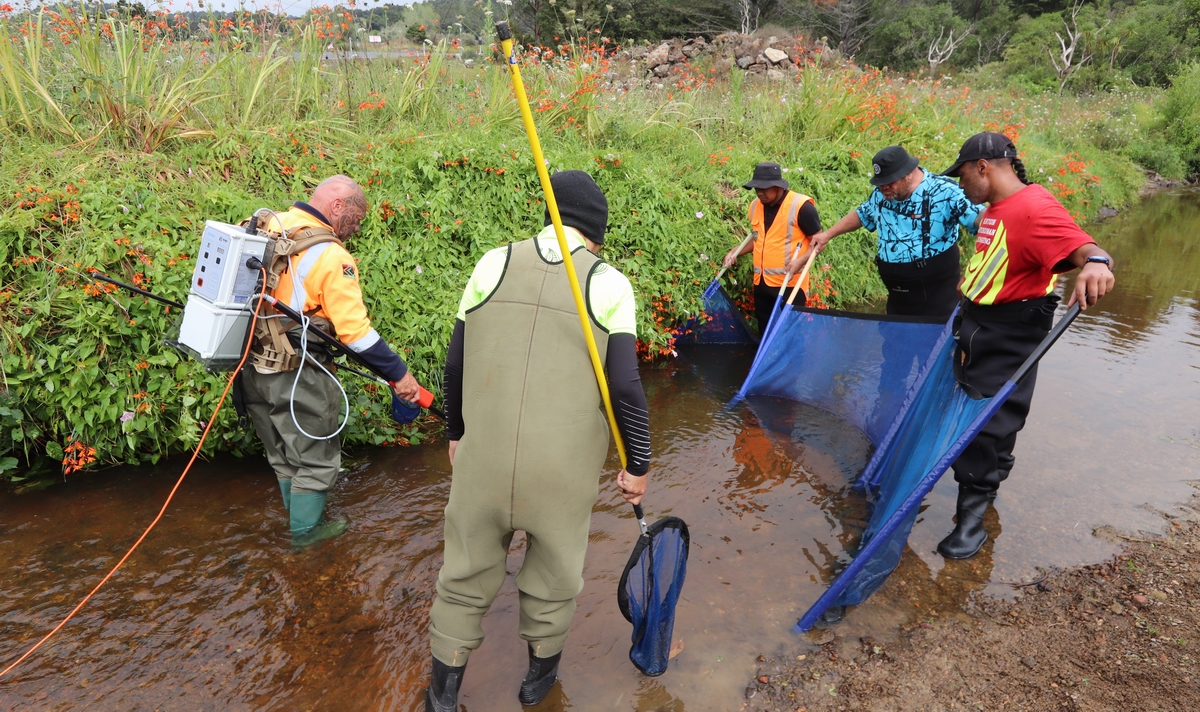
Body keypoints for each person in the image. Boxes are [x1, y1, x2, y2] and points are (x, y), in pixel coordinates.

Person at [425, 171, 652, 711]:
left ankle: (442, 696)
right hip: (561, 471)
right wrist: (638, 463)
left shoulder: (492, 262)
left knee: (462, 576)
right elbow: (624, 386)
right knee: (554, 576)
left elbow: (454, 363)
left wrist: (456, 434)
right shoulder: (610, 283)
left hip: (482, 460)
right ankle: (537, 688)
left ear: (550, 216)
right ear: (595, 234)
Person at [937, 133, 1116, 559]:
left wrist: (1096, 262)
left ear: (983, 166)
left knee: (982, 420)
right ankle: (993, 477)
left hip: (1009, 329)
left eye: (963, 174)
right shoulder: (995, 209)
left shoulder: (1034, 207)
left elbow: (1082, 246)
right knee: (989, 412)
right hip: (979, 322)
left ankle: (972, 521)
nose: (961, 184)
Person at [241, 175, 422, 547]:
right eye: (355, 218)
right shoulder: (332, 256)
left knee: (283, 454)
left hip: (250, 366)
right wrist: (400, 376)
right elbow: (356, 334)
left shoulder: (269, 222)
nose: (355, 228)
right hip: (296, 372)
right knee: (316, 461)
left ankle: (295, 526)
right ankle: (307, 539)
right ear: (338, 205)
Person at [808, 146, 983, 318]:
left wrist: (975, 271)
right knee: (895, 342)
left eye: (889, 181)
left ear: (909, 173)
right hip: (897, 292)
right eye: (880, 182)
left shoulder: (945, 191)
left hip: (937, 291)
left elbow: (983, 221)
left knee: (936, 341)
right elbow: (863, 214)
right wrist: (827, 235)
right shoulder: (882, 194)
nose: (883, 187)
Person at [723, 162, 821, 334]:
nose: (760, 193)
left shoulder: (801, 207)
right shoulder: (755, 205)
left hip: (789, 284)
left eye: (764, 188)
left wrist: (801, 261)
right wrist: (735, 251)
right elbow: (757, 239)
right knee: (765, 334)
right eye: (756, 188)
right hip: (761, 284)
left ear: (777, 187)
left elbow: (819, 242)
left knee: (791, 335)